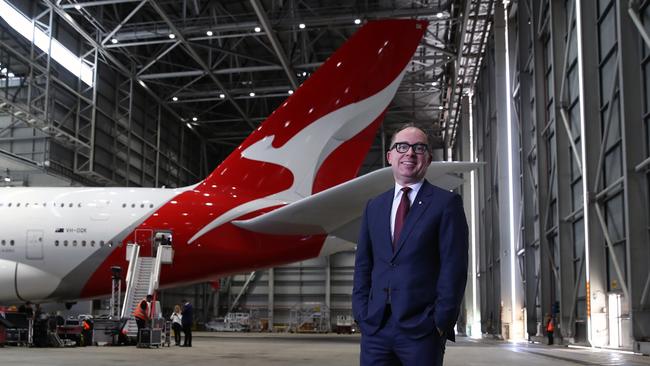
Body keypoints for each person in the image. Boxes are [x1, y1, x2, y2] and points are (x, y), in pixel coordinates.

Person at [352, 124, 469, 366]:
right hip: (376, 328)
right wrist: (361, 314)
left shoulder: (446, 204)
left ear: (428, 158)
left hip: (422, 330)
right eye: (402, 146)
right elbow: (364, 265)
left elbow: (454, 268)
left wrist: (440, 322)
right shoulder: (374, 207)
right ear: (390, 156)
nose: (410, 153)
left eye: (419, 148)